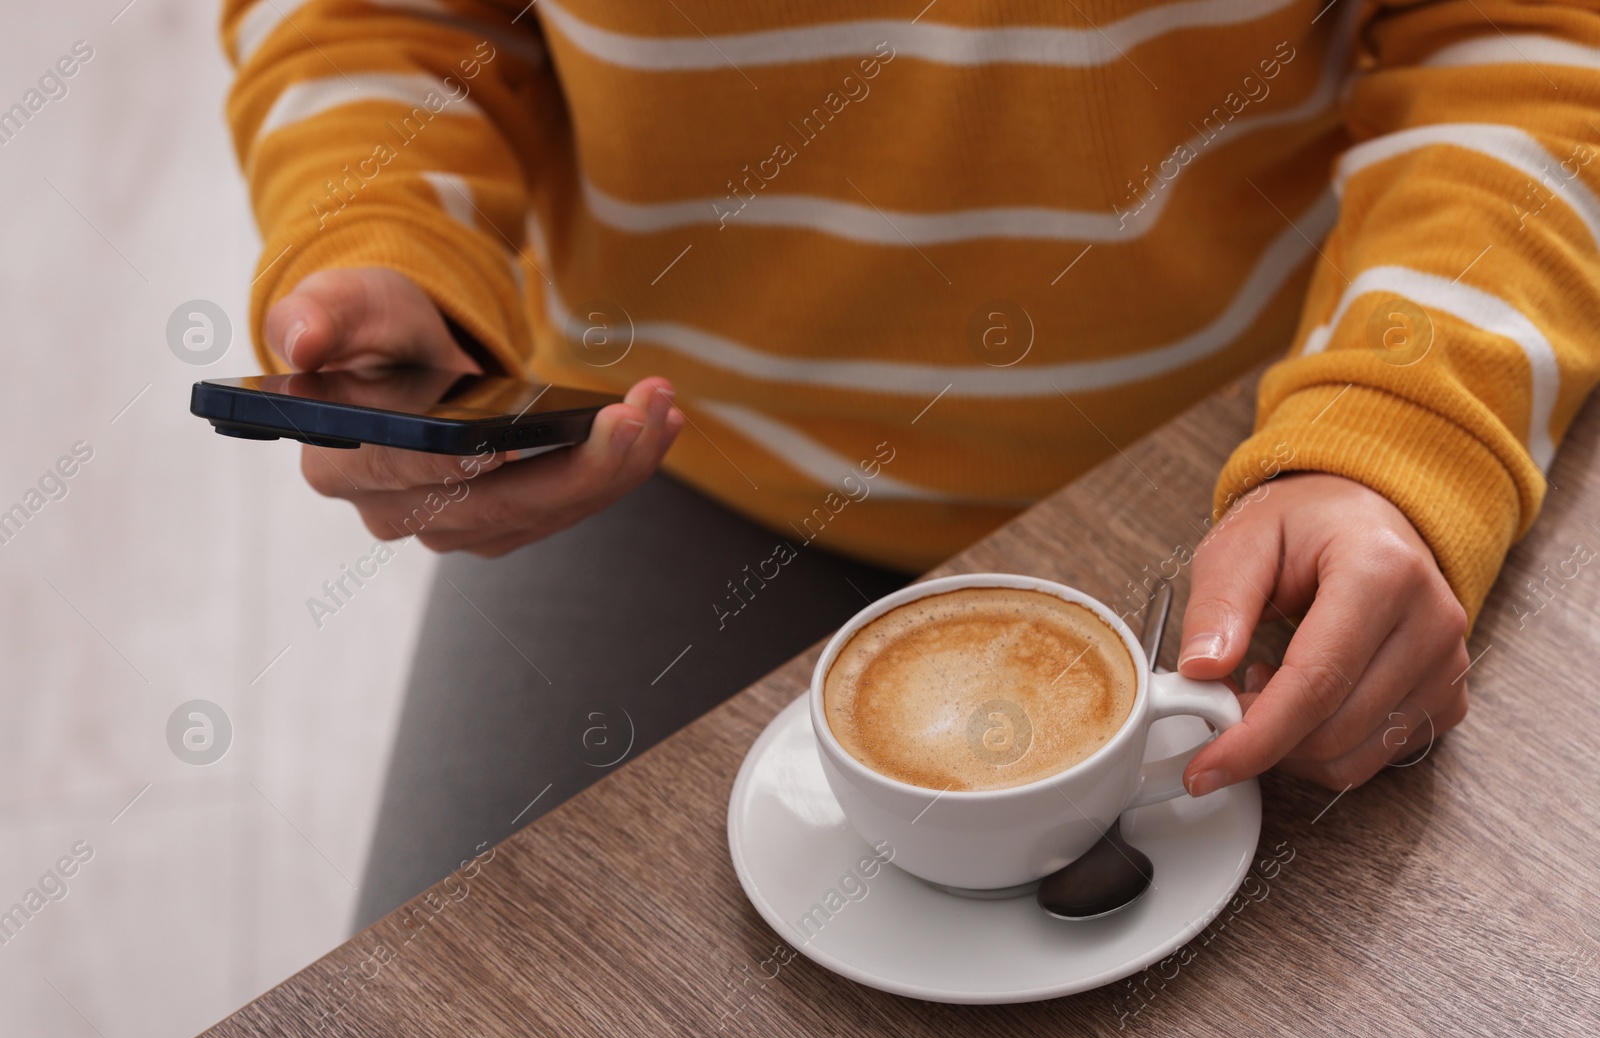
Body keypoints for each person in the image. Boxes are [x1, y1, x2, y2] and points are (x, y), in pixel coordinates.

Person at [220, 0, 1599, 926]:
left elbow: (1529, 37)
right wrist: (383, 219)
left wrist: (1398, 435)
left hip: (1245, 457)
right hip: (674, 460)